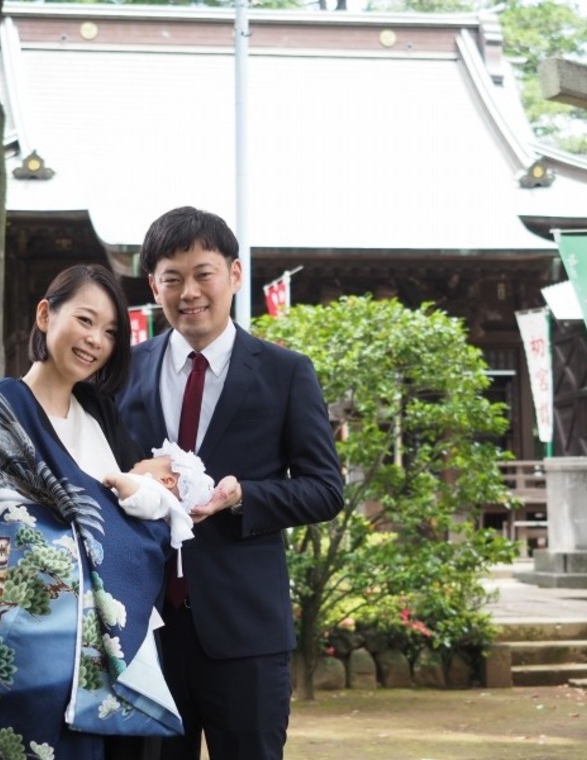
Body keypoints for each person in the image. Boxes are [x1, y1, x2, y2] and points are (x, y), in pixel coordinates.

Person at [0, 264, 195, 759]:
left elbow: (130, 522)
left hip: (87, 672)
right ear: (45, 314)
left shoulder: (101, 418)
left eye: (110, 332)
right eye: (85, 320)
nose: (96, 341)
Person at [117, 206, 345, 760]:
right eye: (172, 278)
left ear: (234, 275)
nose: (189, 291)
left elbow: (324, 488)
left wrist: (244, 496)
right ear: (154, 285)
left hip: (245, 634)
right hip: (142, 632)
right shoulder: (123, 370)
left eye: (203, 273)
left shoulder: (286, 372)